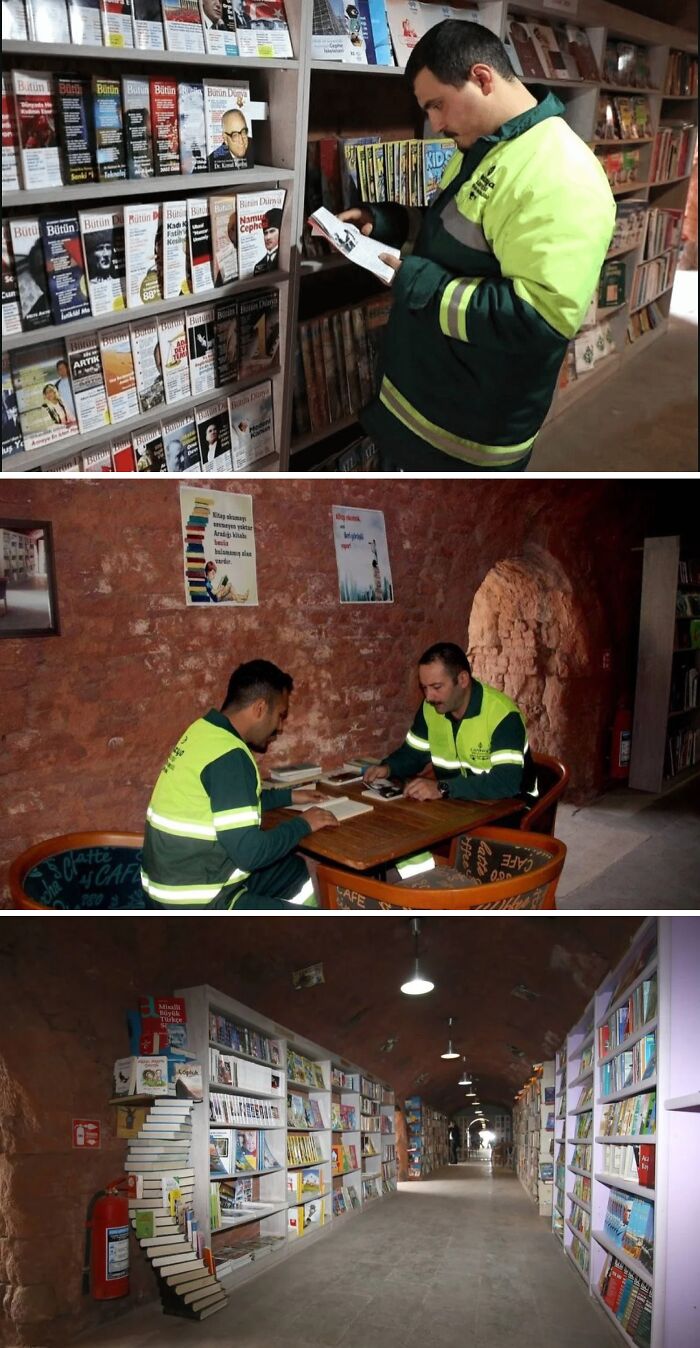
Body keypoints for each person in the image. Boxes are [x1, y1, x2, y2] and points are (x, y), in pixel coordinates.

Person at [339, 20, 616, 472]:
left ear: (482, 78)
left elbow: (537, 322)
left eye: (438, 105)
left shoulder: (564, 173)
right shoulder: (490, 146)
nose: (436, 123)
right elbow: (450, 234)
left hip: (465, 440)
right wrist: (387, 222)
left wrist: (416, 281)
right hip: (426, 412)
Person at [141, 659, 338, 909]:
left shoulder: (203, 731)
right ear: (259, 708)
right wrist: (304, 823)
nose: (279, 727)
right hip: (198, 901)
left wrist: (289, 797)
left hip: (167, 889)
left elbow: (226, 801)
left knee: (291, 871)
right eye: (280, 715)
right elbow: (251, 854)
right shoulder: (231, 755)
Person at [364, 641, 537, 803]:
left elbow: (505, 782)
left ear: (462, 680)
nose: (429, 697)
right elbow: (413, 754)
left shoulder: (503, 715)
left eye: (437, 687)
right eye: (424, 687)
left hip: (510, 808)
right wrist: (389, 768)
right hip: (458, 804)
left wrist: (443, 788)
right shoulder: (430, 709)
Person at [253, 209, 282, 274]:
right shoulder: (258, 266)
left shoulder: (286, 260)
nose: (268, 237)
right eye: (265, 233)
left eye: (272, 231)